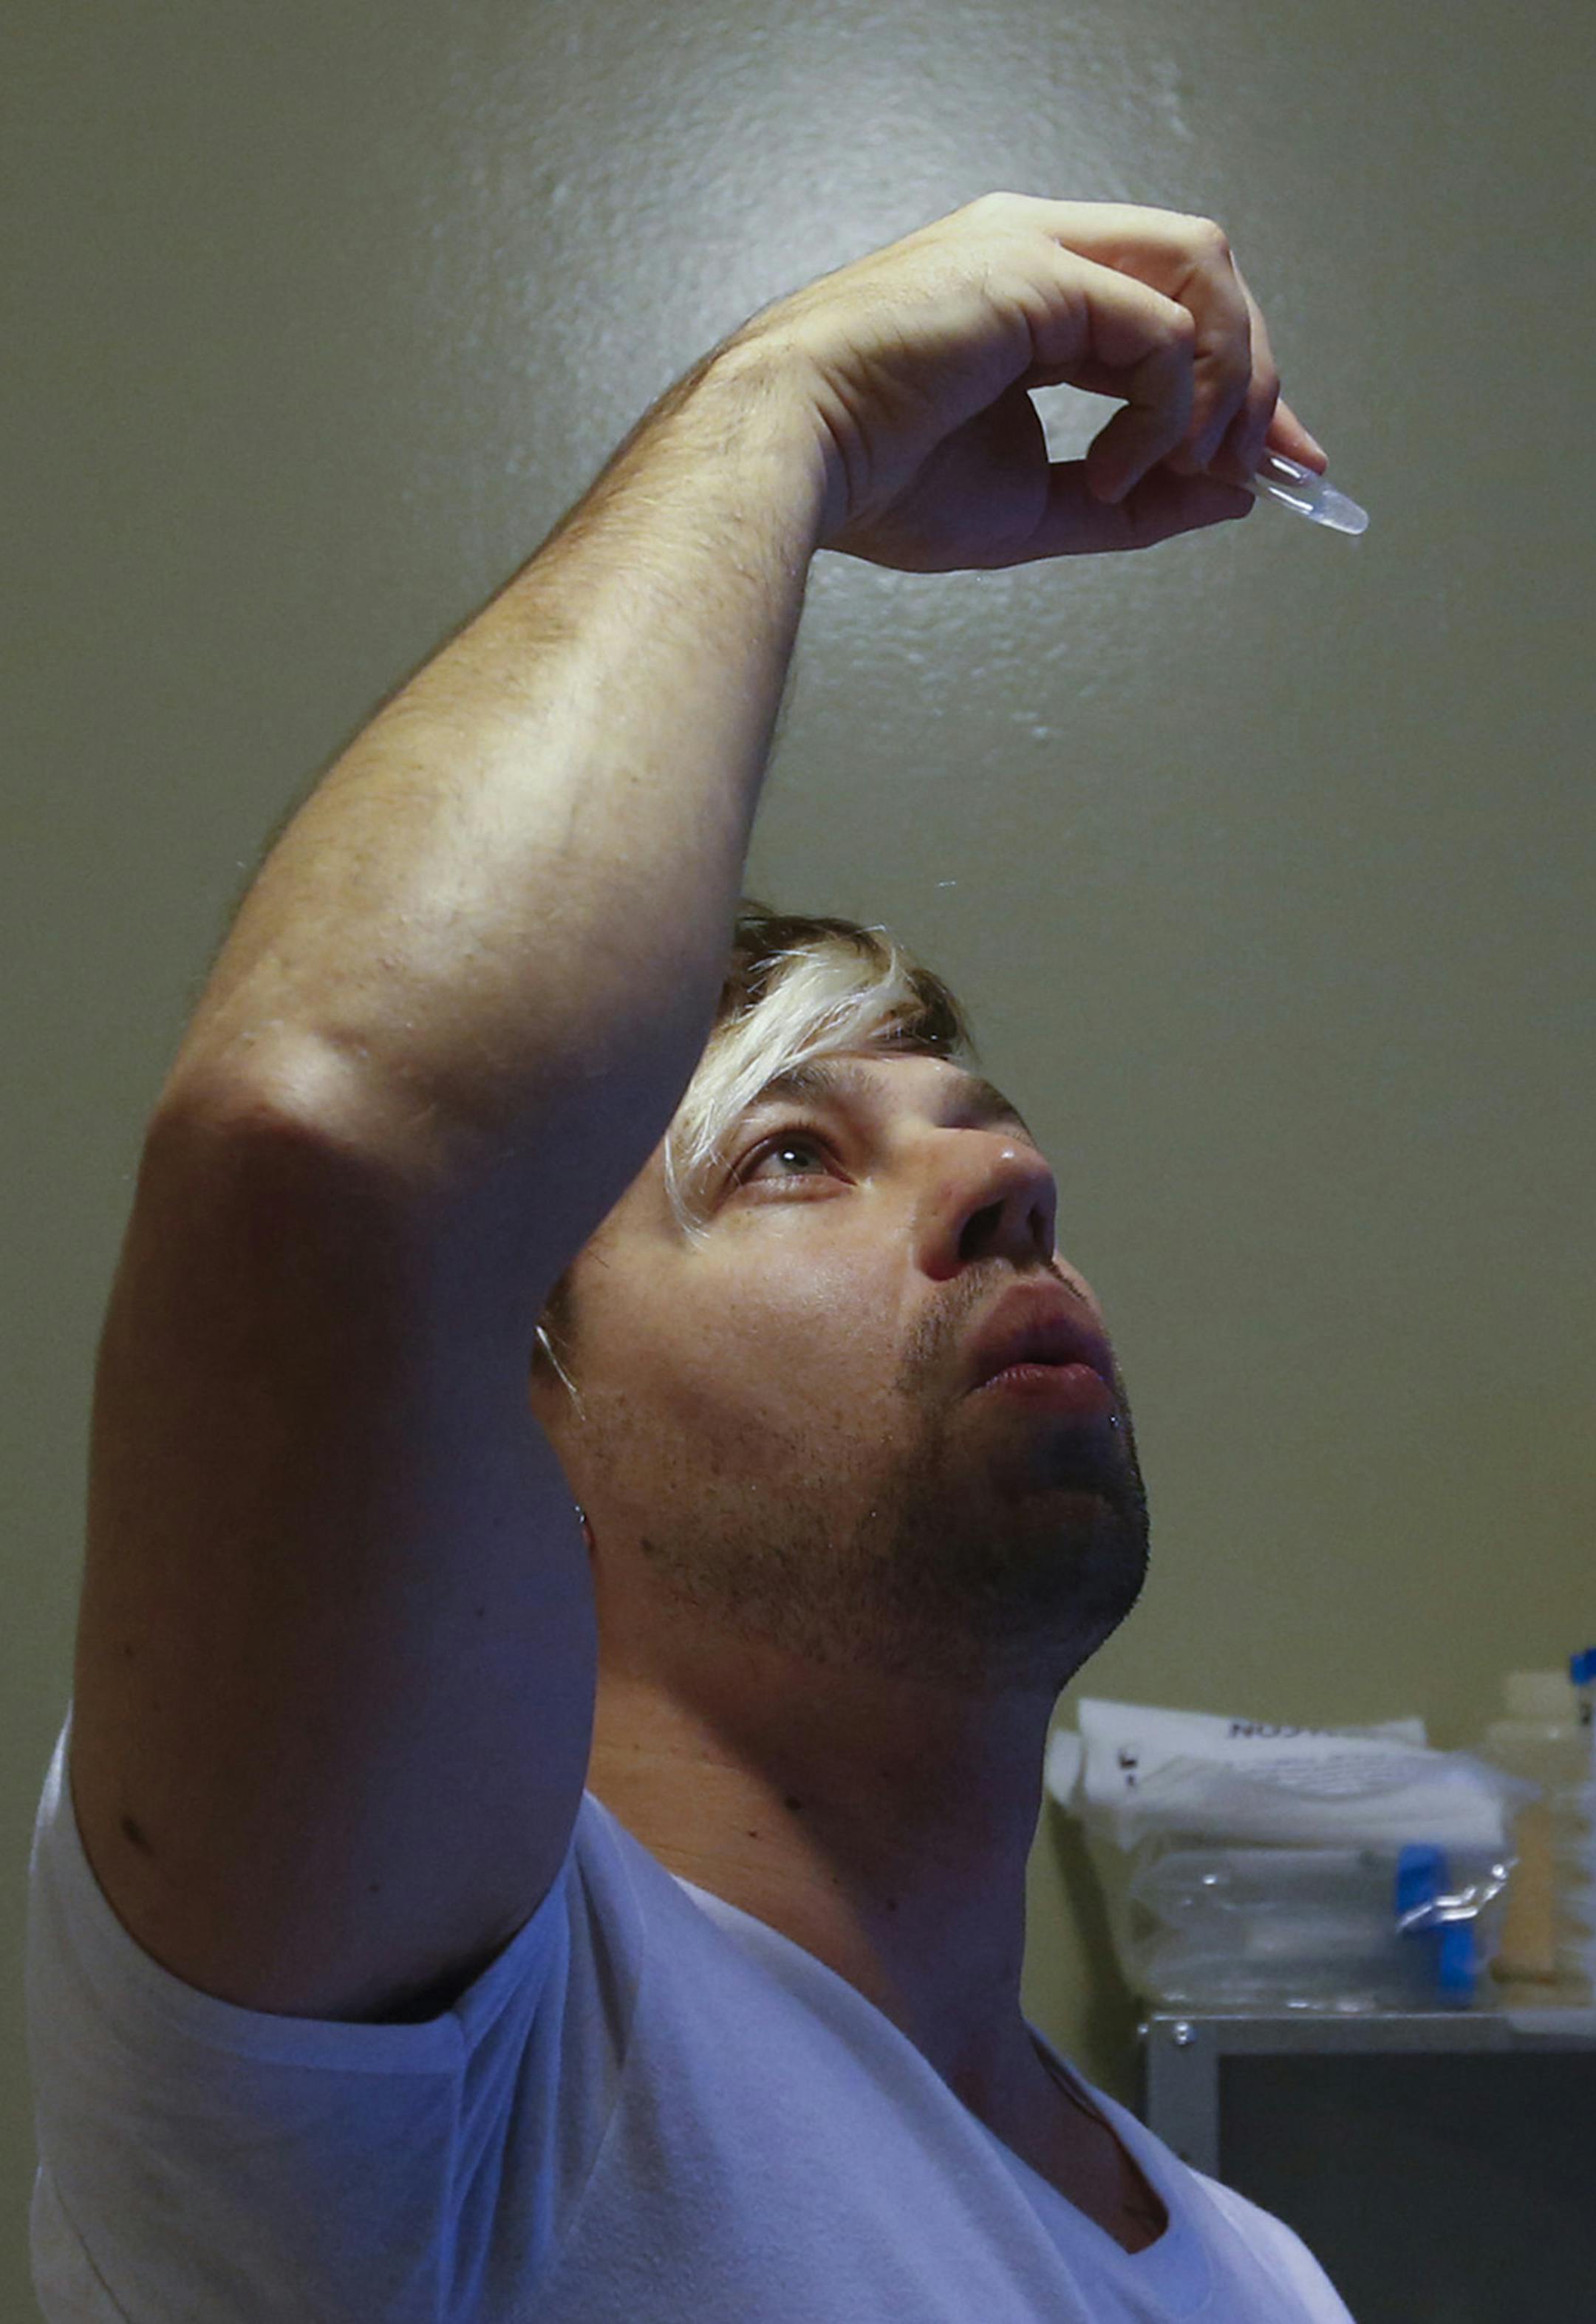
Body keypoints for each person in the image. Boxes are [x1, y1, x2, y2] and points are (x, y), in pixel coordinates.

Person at [26, 194, 1357, 2320]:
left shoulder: (1262, 2274)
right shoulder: (450, 2058)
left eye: (982, 1122)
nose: (1010, 1178)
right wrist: (793, 402)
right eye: (794, 1156)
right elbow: (334, 1136)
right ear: (514, 1411)